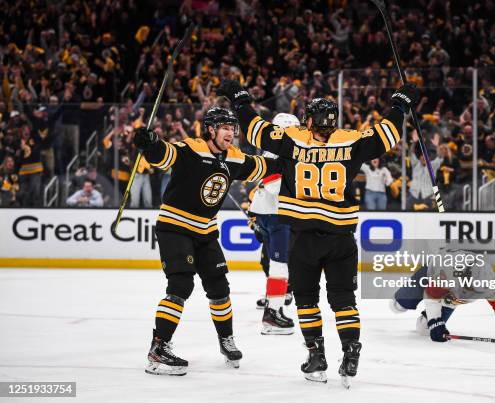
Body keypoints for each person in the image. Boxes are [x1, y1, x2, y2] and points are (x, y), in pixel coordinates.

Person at [220, 79, 419, 386]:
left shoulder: (293, 140)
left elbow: (254, 128)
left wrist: (240, 99)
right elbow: (386, 135)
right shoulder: (351, 140)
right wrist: (401, 104)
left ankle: (316, 357)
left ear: (309, 120)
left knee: (307, 300)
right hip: (341, 238)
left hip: (304, 238)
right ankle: (351, 351)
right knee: (343, 299)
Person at [135, 107, 273, 376]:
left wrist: (296, 159)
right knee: (181, 284)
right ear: (210, 129)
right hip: (175, 227)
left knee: (220, 287)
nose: (231, 133)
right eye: (225, 127)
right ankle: (158, 348)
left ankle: (226, 341)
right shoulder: (192, 148)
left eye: (233, 128)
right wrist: (149, 144)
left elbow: (262, 167)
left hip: (206, 231)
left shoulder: (233, 157)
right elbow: (164, 154)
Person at [390, 249, 495, 343]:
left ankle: (426, 318)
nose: (472, 292)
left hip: (450, 297)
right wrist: (435, 320)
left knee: (425, 329)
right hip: (430, 271)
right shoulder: (448, 273)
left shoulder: (491, 282)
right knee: (397, 306)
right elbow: (431, 295)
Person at [249, 113, 300, 335]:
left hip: (267, 214)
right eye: (295, 129)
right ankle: (272, 314)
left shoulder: (274, 151)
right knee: (279, 265)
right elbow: (274, 186)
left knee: (276, 264)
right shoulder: (277, 152)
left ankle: (274, 306)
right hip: (277, 216)